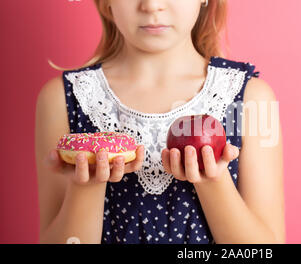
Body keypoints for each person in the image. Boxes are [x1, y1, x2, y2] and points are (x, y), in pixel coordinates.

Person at [35, 0, 285, 244]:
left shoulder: (253, 98)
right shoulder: (62, 99)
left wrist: (213, 181)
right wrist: (88, 185)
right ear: (104, 2)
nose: (152, 5)